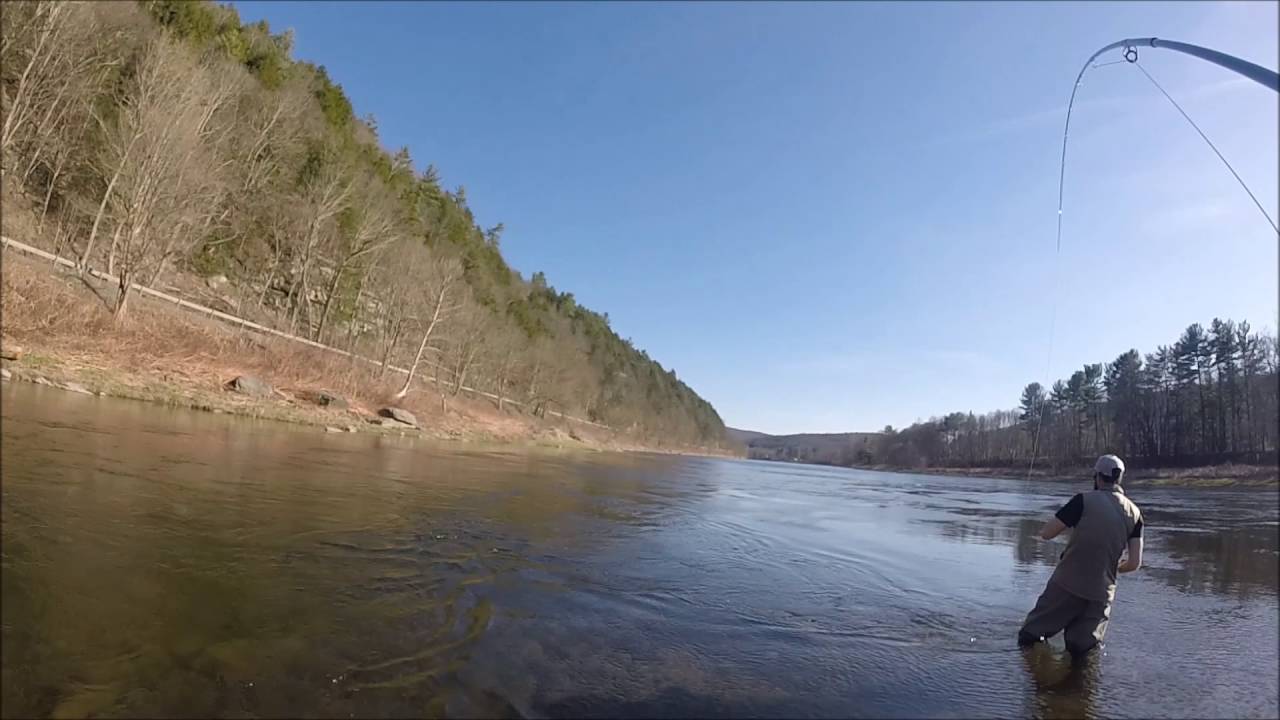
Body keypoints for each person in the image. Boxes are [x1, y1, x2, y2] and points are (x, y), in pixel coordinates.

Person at [1018, 454, 1144, 660]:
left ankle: (1037, 683)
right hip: (1102, 594)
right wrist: (1111, 568)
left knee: (1029, 636)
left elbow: (1047, 533)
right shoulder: (1136, 513)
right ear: (1119, 479)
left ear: (1097, 477)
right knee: (1082, 653)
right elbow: (1134, 563)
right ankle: (1079, 690)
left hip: (1067, 585)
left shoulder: (1083, 501)